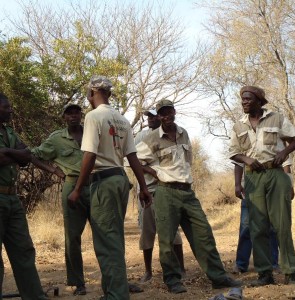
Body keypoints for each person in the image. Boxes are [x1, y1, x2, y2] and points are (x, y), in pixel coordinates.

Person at [136, 99, 241, 294]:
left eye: (169, 112)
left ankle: (218, 277)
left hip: (187, 191)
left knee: (204, 234)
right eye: (162, 113)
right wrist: (153, 172)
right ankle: (172, 280)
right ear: (158, 116)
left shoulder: (184, 133)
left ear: (174, 112)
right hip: (166, 191)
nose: (166, 116)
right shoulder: (151, 138)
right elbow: (133, 159)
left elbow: (188, 161)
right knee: (167, 239)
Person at [67, 75, 152, 300]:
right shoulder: (122, 119)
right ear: (110, 94)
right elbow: (132, 156)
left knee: (106, 240)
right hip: (120, 180)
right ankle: (114, 289)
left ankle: (116, 295)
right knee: (114, 237)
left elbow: (89, 154)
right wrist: (143, 187)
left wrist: (77, 188)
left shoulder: (94, 116)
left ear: (91, 93)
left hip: (103, 181)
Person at [229, 85, 295, 286]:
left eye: (248, 99)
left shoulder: (276, 118)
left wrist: (284, 153)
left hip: (276, 175)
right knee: (257, 227)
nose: (244, 102)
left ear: (259, 101)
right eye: (242, 99)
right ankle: (264, 274)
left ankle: (290, 273)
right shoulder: (238, 125)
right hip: (253, 178)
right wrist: (246, 162)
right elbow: (233, 153)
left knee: (281, 225)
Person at [31, 103, 89, 296]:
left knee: (105, 235)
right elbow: (34, 155)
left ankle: (113, 279)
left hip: (96, 185)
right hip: (71, 186)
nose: (73, 116)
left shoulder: (92, 132)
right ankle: (78, 282)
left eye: (76, 112)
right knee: (72, 237)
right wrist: (55, 171)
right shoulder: (56, 139)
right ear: (64, 117)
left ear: (81, 114)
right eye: (69, 113)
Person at [0, 93, 47, 299]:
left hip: (13, 199)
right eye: (6, 107)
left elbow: (26, 155)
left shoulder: (9, 131)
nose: (11, 110)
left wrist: (8, 152)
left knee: (24, 250)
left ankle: (34, 296)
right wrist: (13, 154)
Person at [135, 108, 185, 283]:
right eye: (148, 116)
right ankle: (148, 271)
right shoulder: (141, 137)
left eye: (153, 115)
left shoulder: (173, 135)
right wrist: (153, 174)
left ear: (162, 117)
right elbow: (134, 162)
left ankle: (181, 268)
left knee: (173, 231)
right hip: (148, 189)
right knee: (147, 231)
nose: (150, 119)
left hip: (169, 189)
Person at [233, 161, 294, 274]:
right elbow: (238, 162)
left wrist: (290, 185)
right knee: (246, 226)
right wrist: (237, 184)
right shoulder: (244, 144)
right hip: (250, 187)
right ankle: (241, 263)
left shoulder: (279, 143)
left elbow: (286, 163)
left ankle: (273, 264)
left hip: (273, 186)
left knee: (271, 227)